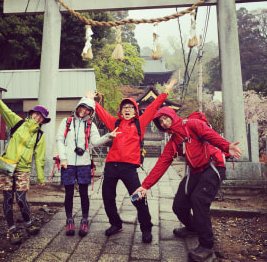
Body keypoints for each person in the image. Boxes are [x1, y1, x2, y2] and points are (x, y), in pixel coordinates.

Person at [134, 107, 242, 261]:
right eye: (160, 121)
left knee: (199, 199)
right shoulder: (173, 142)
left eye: (165, 118)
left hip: (213, 166)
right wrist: (145, 186)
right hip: (195, 171)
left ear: (172, 115)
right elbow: (161, 164)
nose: (164, 123)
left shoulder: (192, 124)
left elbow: (211, 136)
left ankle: (206, 245)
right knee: (179, 205)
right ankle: (193, 228)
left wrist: (226, 146)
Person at [86, 78, 177, 243]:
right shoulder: (115, 122)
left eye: (130, 107)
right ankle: (116, 224)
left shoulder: (140, 123)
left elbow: (153, 106)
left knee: (138, 198)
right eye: (124, 107)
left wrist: (166, 91)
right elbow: (102, 113)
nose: (127, 110)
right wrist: (92, 101)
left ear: (135, 110)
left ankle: (146, 228)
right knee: (107, 197)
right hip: (111, 166)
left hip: (129, 168)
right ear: (121, 110)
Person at [0, 84, 50, 245]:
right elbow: (3, 108)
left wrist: (41, 177)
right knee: (7, 199)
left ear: (43, 120)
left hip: (23, 169)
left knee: (21, 198)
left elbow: (39, 158)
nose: (38, 118)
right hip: (7, 166)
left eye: (41, 117)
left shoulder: (40, 136)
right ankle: (12, 229)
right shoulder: (18, 123)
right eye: (37, 114)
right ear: (32, 113)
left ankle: (28, 223)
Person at [56, 97, 118, 237]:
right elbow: (60, 140)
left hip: (84, 163)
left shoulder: (91, 125)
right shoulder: (66, 122)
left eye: (88, 109)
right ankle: (69, 219)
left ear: (91, 112)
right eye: (82, 107)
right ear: (78, 107)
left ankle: (84, 219)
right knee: (69, 193)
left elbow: (95, 142)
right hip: (68, 163)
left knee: (84, 193)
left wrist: (108, 135)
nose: (84, 111)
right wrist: (63, 158)